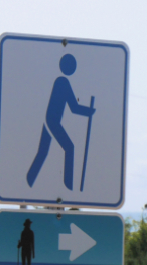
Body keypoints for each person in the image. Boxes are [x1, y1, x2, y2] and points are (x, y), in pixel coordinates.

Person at [26, 54, 95, 191]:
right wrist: (90, 112)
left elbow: (72, 107)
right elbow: (74, 108)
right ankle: (68, 187)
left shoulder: (61, 81)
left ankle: (28, 181)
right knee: (69, 147)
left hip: (50, 120)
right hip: (52, 121)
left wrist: (89, 112)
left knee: (42, 152)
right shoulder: (62, 82)